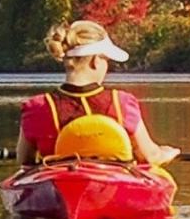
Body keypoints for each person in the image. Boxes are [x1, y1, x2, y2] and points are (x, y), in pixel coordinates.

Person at [20, 21, 179, 169]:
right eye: (106, 60)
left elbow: (24, 161)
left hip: (58, 184)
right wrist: (166, 153)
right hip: (114, 185)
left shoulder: (37, 106)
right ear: (96, 60)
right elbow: (150, 157)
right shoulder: (122, 102)